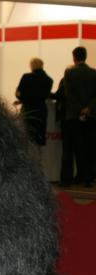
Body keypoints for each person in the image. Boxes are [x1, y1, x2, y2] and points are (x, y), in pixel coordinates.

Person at [62, 46, 96, 187]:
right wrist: (88, 108)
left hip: (72, 116)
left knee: (69, 149)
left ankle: (67, 179)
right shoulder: (94, 73)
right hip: (91, 116)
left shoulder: (69, 73)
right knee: (89, 148)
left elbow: (69, 94)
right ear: (86, 56)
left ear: (74, 57)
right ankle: (88, 178)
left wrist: (79, 109)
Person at [15, 58, 53, 149]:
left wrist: (22, 98)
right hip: (41, 111)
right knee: (39, 139)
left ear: (32, 66)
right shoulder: (48, 80)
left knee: (27, 136)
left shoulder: (26, 77)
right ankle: (38, 160)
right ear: (42, 66)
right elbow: (46, 95)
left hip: (28, 109)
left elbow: (18, 93)